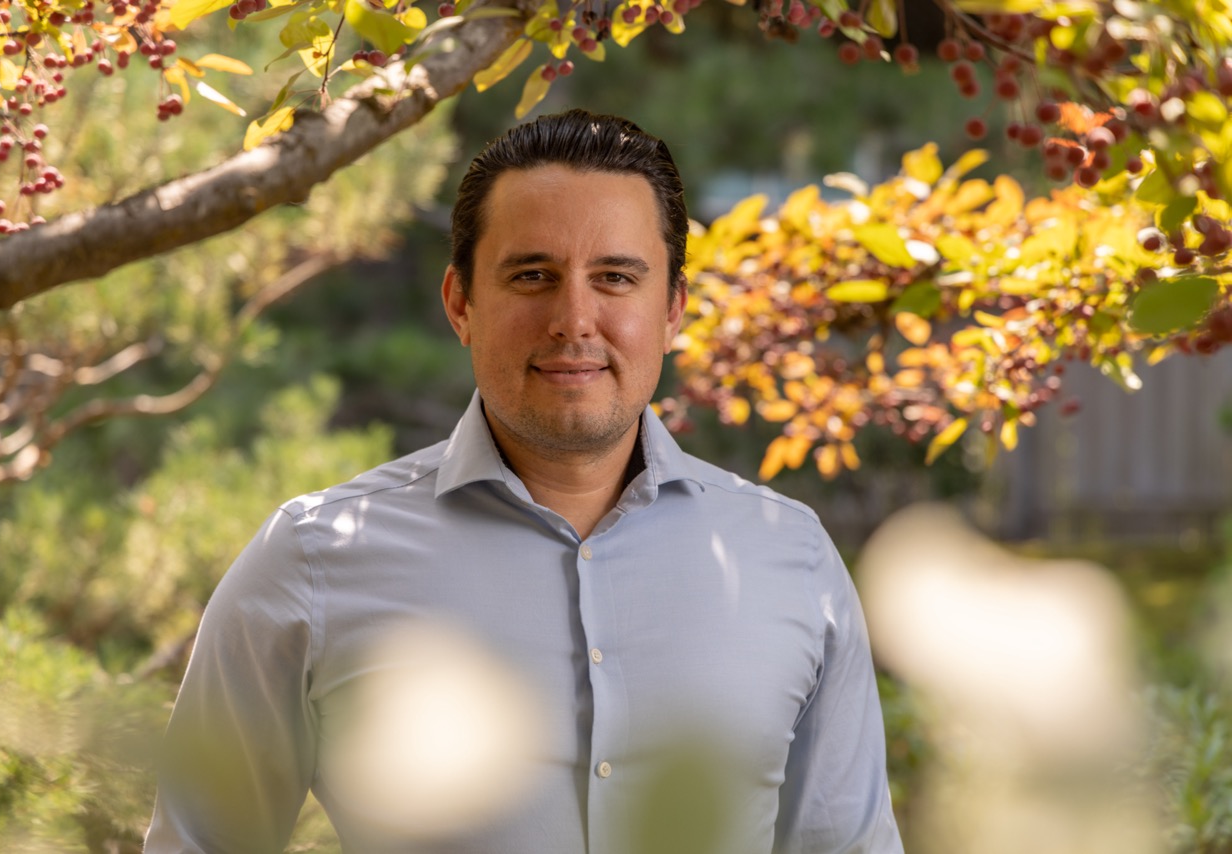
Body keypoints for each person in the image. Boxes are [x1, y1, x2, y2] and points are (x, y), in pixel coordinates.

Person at [145, 109, 903, 854]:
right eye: (533, 275)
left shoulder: (791, 560)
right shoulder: (313, 559)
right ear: (460, 304)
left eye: (614, 278)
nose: (574, 318)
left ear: (672, 311)